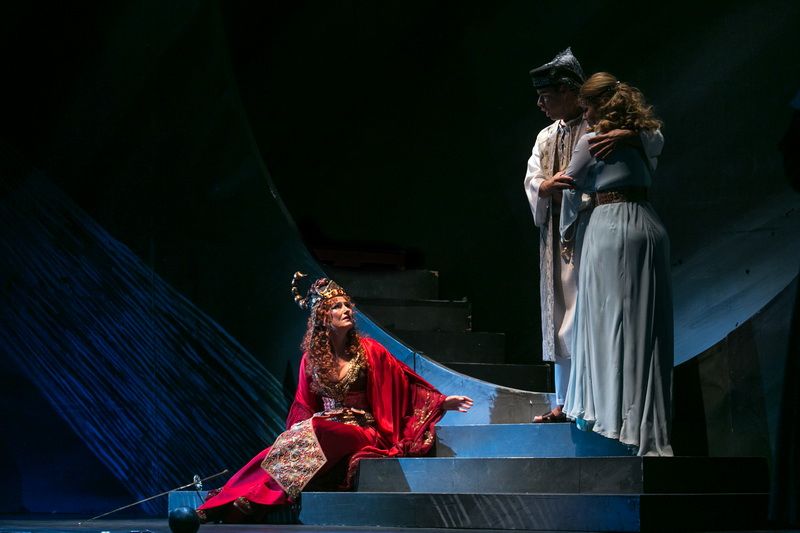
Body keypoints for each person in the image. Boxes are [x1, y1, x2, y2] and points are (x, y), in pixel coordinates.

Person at [196, 272, 473, 523]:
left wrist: (441, 402)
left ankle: (259, 496)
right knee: (285, 443)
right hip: (323, 430)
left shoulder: (369, 351)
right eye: (337, 307)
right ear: (323, 317)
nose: (347, 310)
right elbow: (304, 405)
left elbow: (404, 384)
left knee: (319, 430)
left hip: (362, 430)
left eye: (347, 305)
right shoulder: (311, 360)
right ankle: (223, 501)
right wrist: (296, 432)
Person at [524, 48, 663, 423]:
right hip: (558, 234)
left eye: (546, 96)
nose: (540, 104)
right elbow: (534, 177)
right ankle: (566, 400)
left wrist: (628, 135)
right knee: (560, 316)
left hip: (594, 229)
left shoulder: (600, 127)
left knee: (592, 314)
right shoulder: (546, 136)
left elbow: (653, 138)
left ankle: (596, 401)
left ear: (569, 92)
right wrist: (543, 187)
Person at [560, 72, 673, 456]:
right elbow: (654, 139)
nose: (586, 115)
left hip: (610, 227)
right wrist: (630, 136)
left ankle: (611, 415)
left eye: (587, 107)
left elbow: (570, 180)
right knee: (645, 324)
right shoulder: (646, 136)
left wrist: (552, 188)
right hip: (647, 224)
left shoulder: (591, 141)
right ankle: (640, 419)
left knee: (607, 321)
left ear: (600, 104)